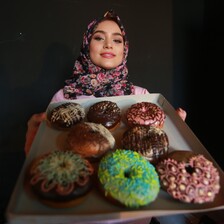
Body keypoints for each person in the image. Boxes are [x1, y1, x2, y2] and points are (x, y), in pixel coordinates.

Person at [24, 10, 186, 155]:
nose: (108, 45)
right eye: (99, 37)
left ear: (125, 49)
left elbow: (158, 152)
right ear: (87, 45)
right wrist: (32, 138)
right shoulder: (63, 98)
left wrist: (174, 129)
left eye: (117, 40)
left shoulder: (141, 96)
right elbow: (44, 154)